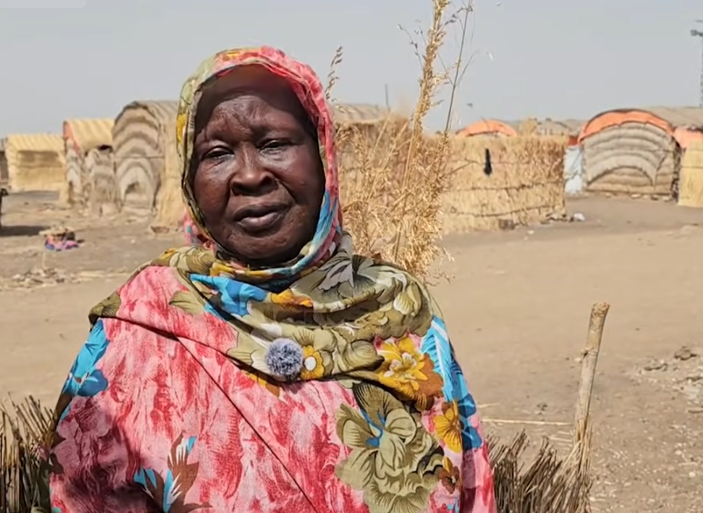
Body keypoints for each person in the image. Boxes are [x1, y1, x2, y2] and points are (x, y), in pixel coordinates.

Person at [46, 46, 496, 513]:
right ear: (190, 181)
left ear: (322, 157)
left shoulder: (396, 306)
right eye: (217, 153)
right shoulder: (142, 324)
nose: (249, 175)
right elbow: (78, 492)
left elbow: (469, 482)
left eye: (274, 144)